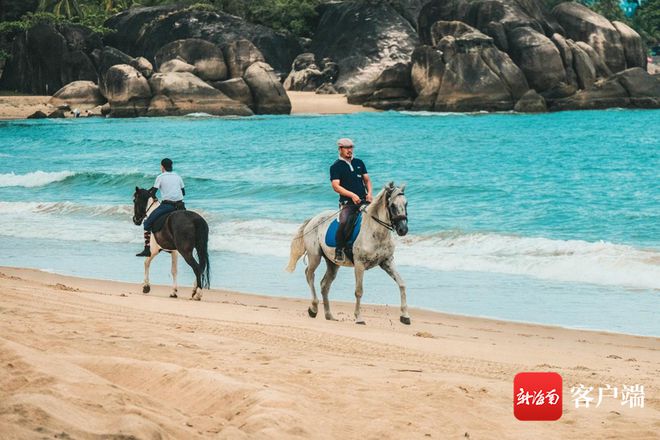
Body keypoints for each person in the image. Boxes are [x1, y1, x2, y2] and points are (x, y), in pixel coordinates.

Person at [330, 138, 372, 262]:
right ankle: (340, 249)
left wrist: (369, 193)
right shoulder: (336, 166)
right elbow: (336, 186)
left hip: (364, 201)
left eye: (351, 147)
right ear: (340, 149)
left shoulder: (359, 162)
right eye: (347, 148)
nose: (350, 150)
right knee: (344, 222)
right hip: (347, 204)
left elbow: (367, 180)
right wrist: (352, 195)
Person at [136, 158, 185, 257]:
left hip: (167, 206)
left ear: (162, 166)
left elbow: (153, 193)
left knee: (147, 223)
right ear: (171, 166)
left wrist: (153, 196)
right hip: (180, 206)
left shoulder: (160, 177)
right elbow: (183, 192)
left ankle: (147, 249)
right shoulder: (178, 177)